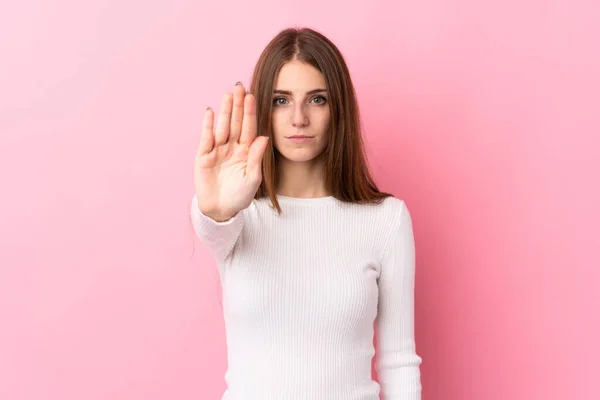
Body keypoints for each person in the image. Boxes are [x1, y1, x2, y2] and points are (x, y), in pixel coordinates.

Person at [190, 27, 422, 400]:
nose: (298, 118)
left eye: (317, 99)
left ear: (338, 109)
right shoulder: (236, 214)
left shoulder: (386, 220)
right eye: (281, 101)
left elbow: (398, 362)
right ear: (264, 107)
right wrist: (216, 208)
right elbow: (213, 225)